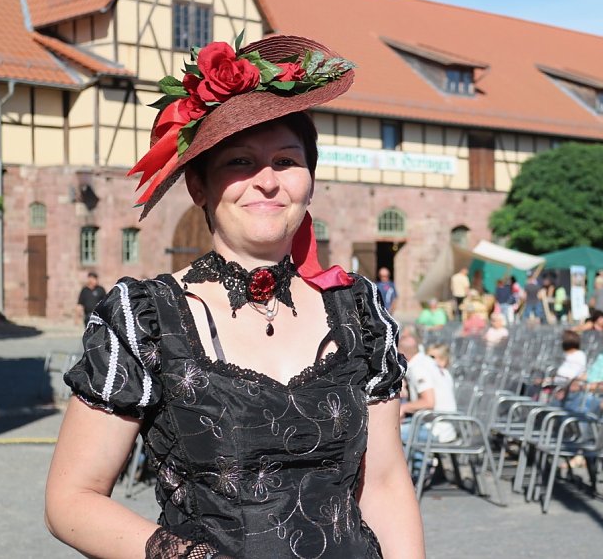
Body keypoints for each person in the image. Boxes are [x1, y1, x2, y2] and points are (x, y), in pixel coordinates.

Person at [45, 34, 423, 558]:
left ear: (310, 181)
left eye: (287, 162)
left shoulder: (359, 311)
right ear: (199, 187)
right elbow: (71, 499)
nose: (267, 182)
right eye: (240, 162)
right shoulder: (144, 318)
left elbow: (382, 484)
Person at [399, 336, 457, 478]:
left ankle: (421, 471)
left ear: (402, 353)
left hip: (437, 427)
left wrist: (404, 408)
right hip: (446, 423)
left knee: (392, 434)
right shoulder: (428, 362)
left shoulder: (418, 368)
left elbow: (428, 402)